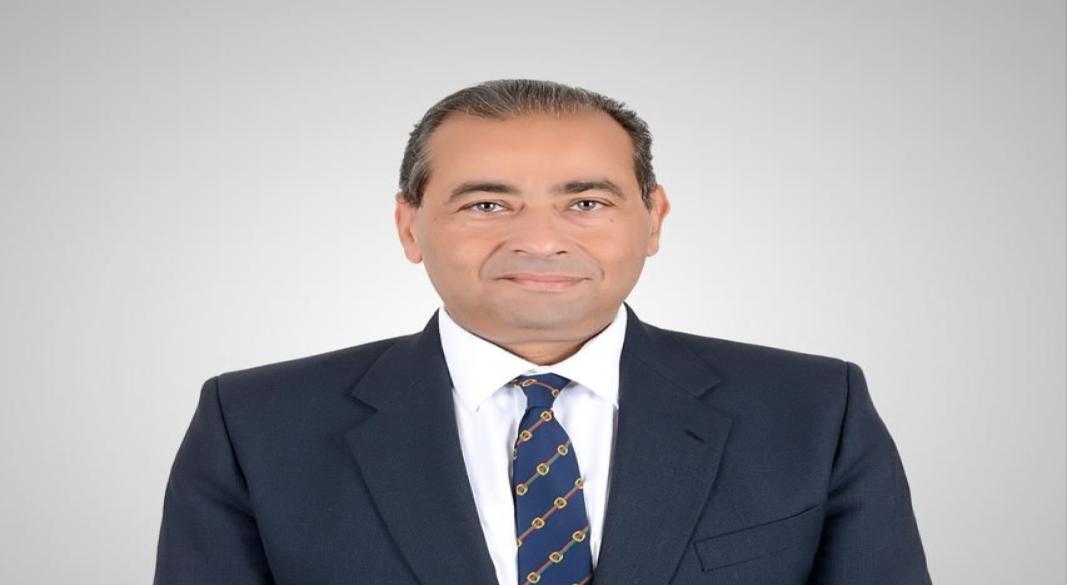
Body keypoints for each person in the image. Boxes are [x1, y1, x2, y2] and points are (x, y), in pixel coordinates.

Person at [153, 79, 932, 585]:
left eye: (585, 202)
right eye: (487, 204)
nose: (540, 239)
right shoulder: (256, 424)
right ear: (409, 225)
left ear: (652, 218)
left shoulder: (812, 408)